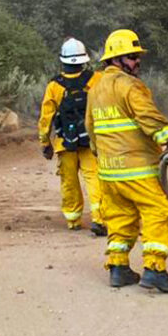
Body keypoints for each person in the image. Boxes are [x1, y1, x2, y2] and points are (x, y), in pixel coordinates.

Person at [85, 29, 168, 293]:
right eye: (131, 57)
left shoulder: (95, 88)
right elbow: (148, 116)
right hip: (136, 169)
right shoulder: (130, 85)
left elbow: (91, 128)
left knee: (120, 217)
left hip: (109, 172)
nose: (137, 61)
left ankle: (118, 268)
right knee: (158, 212)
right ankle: (154, 269)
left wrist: (101, 155)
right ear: (115, 59)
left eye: (138, 56)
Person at [38, 38, 105, 235]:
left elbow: (46, 118)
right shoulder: (96, 79)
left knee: (69, 182)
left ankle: (73, 220)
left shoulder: (54, 85)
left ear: (63, 60)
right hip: (90, 141)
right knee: (94, 178)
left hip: (65, 142)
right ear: (84, 59)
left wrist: (45, 143)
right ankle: (99, 219)